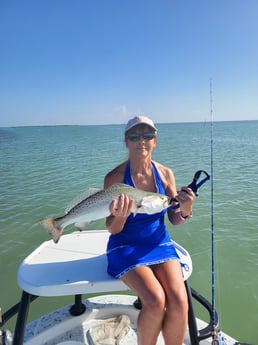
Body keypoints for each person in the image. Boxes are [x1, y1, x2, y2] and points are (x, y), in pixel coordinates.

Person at [104, 115, 195, 345]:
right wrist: (121, 217)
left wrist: (185, 208)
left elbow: (174, 218)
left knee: (179, 300)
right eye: (134, 136)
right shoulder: (114, 178)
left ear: (155, 140)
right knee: (155, 300)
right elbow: (112, 229)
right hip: (125, 245)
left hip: (159, 244)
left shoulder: (165, 174)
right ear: (126, 142)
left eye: (147, 135)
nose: (141, 141)